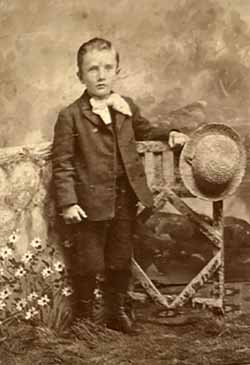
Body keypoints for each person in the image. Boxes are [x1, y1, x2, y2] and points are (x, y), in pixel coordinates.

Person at [52, 37, 188, 334]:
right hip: (88, 205)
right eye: (92, 69)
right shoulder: (70, 116)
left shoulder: (125, 108)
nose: (101, 75)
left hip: (124, 200)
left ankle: (116, 313)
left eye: (107, 68)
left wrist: (172, 133)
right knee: (88, 262)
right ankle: (84, 318)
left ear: (117, 71)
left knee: (119, 259)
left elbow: (147, 130)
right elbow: (61, 164)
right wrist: (68, 202)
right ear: (80, 76)